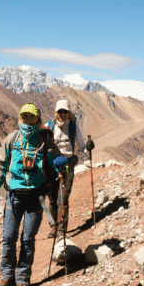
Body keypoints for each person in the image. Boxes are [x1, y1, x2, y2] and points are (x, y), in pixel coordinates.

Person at [0, 103, 68, 286]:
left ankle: (22, 279)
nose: (28, 120)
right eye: (24, 116)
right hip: (13, 197)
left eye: (32, 117)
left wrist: (60, 164)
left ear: (37, 119)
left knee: (27, 239)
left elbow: (56, 160)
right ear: (20, 118)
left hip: (36, 197)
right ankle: (7, 278)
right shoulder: (12, 139)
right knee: (8, 238)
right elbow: (1, 165)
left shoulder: (45, 140)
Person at [45, 99, 91, 239]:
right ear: (56, 112)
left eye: (65, 111)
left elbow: (81, 146)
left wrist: (88, 146)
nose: (62, 114)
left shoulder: (74, 127)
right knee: (52, 197)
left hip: (67, 164)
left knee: (63, 198)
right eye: (60, 111)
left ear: (69, 112)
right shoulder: (49, 125)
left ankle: (61, 229)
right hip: (52, 164)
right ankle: (53, 226)